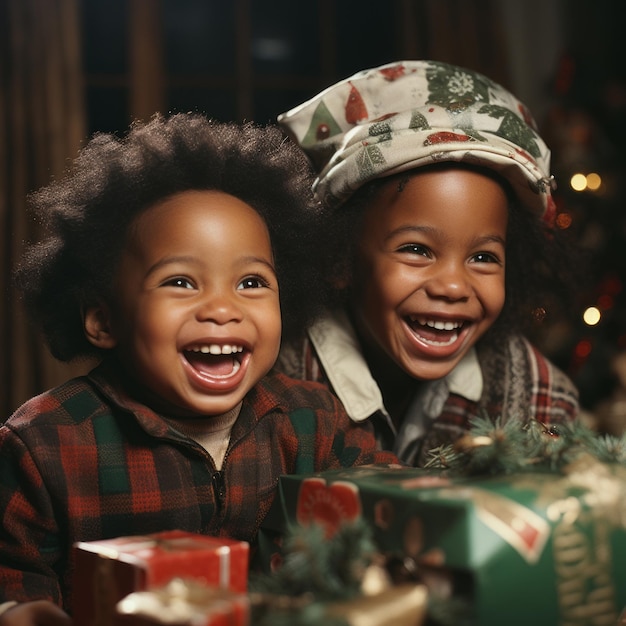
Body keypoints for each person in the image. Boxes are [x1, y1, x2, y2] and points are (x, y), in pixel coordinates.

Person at [0, 113, 398, 625]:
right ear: (103, 319)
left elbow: (390, 504)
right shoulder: (43, 446)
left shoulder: (314, 421)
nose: (222, 308)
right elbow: (11, 574)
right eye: (181, 282)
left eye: (251, 282)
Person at [276, 60, 581, 466]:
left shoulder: (536, 397)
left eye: (483, 257)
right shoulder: (274, 384)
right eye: (417, 250)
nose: (453, 286)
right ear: (339, 256)